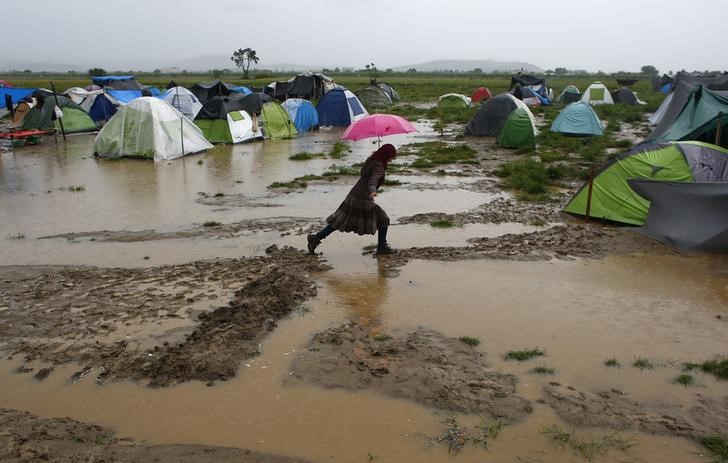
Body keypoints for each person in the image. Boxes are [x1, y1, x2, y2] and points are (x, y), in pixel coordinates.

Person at [308, 143, 397, 256]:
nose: (391, 160)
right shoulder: (378, 166)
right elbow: (373, 180)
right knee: (383, 219)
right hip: (362, 199)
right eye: (391, 157)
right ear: (386, 155)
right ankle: (382, 248)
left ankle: (315, 238)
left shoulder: (371, 160)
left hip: (353, 195)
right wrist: (373, 190)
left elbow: (367, 175)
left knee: (339, 221)